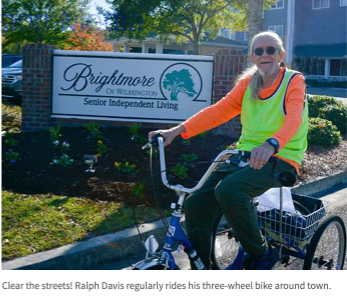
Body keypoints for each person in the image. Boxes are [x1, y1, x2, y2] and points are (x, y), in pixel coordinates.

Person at [149, 31, 308, 270]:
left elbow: (294, 118)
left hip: (281, 158)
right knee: (195, 204)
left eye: (271, 50)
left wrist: (271, 144)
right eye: (258, 51)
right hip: (244, 156)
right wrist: (175, 132)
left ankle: (261, 253)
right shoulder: (248, 84)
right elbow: (218, 111)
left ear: (281, 55)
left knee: (229, 190)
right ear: (252, 57)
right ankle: (204, 267)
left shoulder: (293, 81)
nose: (265, 54)